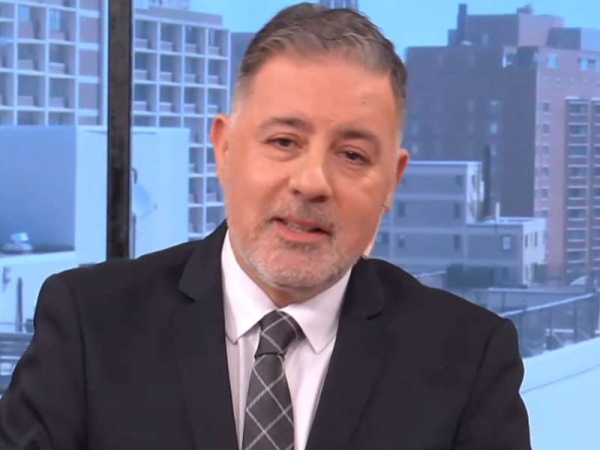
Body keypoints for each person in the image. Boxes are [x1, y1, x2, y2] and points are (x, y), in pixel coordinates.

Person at [0, 3, 531, 449]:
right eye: (284, 142)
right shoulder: (91, 324)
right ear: (225, 149)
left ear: (392, 181)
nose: (312, 182)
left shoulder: (469, 358)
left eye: (351, 154)